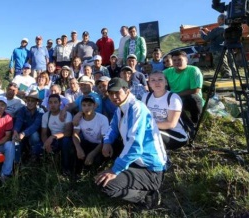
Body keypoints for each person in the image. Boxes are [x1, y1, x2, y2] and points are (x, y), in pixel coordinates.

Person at [94, 78, 167, 209]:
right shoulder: (121, 108)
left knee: (106, 186)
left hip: (151, 170)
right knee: (110, 149)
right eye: (110, 93)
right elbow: (112, 128)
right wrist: (107, 142)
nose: (114, 96)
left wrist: (114, 170)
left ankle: (148, 197)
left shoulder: (137, 108)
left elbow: (135, 145)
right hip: (137, 161)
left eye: (117, 92)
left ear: (127, 90)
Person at [142, 71, 189, 150]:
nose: (157, 82)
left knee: (148, 134)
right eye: (153, 80)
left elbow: (171, 124)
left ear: (166, 82)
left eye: (160, 79)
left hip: (176, 135)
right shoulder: (146, 96)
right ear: (149, 84)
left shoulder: (173, 98)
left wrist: (147, 126)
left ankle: (162, 159)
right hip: (154, 129)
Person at [72, 96, 109, 178]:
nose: (86, 108)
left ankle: (94, 175)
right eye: (84, 105)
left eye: (89, 105)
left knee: (97, 161)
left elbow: (104, 139)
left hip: (100, 145)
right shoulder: (79, 118)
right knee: (76, 147)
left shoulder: (102, 119)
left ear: (94, 106)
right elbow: (75, 135)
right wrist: (78, 149)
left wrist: (92, 154)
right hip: (87, 143)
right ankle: (76, 174)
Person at [163, 50, 203, 125]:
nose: (177, 62)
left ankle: (196, 122)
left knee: (193, 98)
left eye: (179, 60)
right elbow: (155, 76)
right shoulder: (168, 72)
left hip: (189, 99)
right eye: (174, 60)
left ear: (186, 60)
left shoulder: (193, 70)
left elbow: (195, 90)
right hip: (174, 98)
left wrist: (175, 95)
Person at [41, 93, 73, 175]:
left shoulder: (67, 115)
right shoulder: (45, 116)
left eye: (55, 102)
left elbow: (68, 132)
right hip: (52, 140)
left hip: (63, 138)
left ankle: (66, 169)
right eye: (50, 102)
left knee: (66, 142)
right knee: (37, 148)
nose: (53, 105)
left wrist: (53, 137)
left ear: (60, 104)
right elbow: (43, 134)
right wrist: (46, 143)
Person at [13, 91, 44, 163]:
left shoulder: (40, 111)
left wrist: (23, 133)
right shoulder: (22, 110)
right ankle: (17, 162)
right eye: (28, 100)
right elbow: (19, 121)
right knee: (15, 140)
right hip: (22, 133)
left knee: (34, 135)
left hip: (31, 134)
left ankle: (34, 155)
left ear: (37, 102)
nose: (29, 103)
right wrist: (15, 131)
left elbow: (36, 125)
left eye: (32, 101)